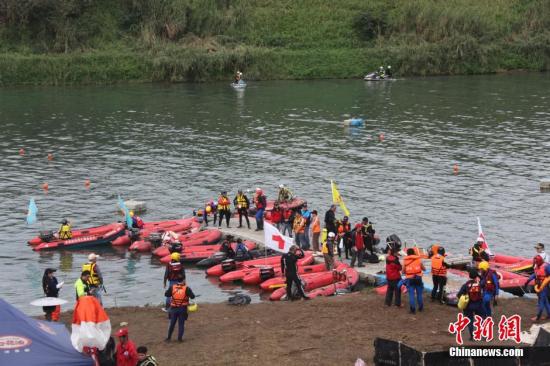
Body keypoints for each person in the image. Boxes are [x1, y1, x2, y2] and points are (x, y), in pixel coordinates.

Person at [164, 275, 196, 342]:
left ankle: (168, 338)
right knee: (181, 324)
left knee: (172, 323)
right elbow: (193, 297)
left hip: (173, 308)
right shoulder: (187, 288)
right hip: (182, 308)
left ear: (177, 280)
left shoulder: (172, 287)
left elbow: (166, 294)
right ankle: (179, 339)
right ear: (183, 280)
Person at [457, 270, 484, 341]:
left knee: (470, 320)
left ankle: (472, 336)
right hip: (478, 305)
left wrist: (465, 298)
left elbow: (459, 294)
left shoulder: (466, 285)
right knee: (480, 319)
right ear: (476, 277)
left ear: (469, 276)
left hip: (468, 306)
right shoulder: (479, 285)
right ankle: (481, 334)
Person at [525, 255, 550, 321]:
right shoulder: (538, 267)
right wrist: (528, 281)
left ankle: (538, 317)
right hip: (538, 286)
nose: (535, 263)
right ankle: (549, 315)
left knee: (541, 301)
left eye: (536, 262)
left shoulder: (546, 266)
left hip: (543, 287)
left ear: (539, 261)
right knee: (545, 301)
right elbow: (535, 275)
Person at [403, 248, 425, 314]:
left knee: (411, 294)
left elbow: (403, 271)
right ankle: (420, 308)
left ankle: (413, 310)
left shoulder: (405, 261)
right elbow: (423, 268)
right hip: (418, 278)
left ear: (407, 253)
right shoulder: (418, 259)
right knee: (419, 294)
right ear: (414, 253)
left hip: (409, 279)